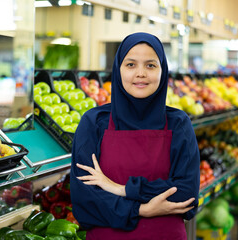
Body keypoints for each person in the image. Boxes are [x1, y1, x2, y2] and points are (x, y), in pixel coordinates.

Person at [70, 32, 200, 240]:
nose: (141, 73)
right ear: (118, 69)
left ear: (162, 70)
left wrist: (121, 189)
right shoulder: (94, 122)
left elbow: (187, 195)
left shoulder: (179, 123)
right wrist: (142, 210)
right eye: (131, 65)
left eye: (150, 65)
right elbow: (85, 202)